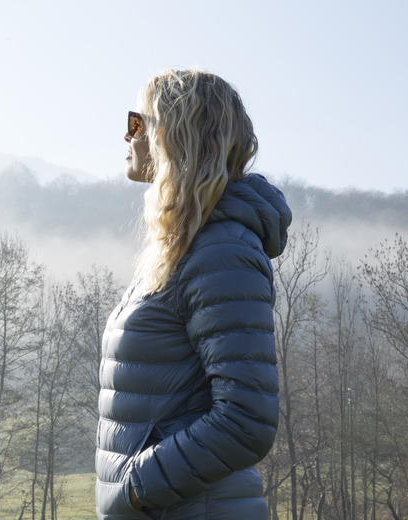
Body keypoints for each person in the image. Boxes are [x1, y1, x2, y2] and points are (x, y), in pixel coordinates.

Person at [95, 69, 292, 519]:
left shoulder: (221, 250)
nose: (125, 136)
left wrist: (135, 490)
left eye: (134, 123)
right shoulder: (185, 246)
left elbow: (247, 421)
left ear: (167, 133)